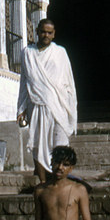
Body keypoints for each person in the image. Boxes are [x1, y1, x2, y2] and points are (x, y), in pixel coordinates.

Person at [17, 19, 77, 183]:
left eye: (50, 32)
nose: (46, 35)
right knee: (38, 144)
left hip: (59, 106)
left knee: (60, 145)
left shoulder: (60, 52)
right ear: (37, 31)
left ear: (54, 34)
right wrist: (21, 108)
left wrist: (70, 105)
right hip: (36, 105)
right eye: (43, 31)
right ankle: (43, 184)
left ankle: (60, 183)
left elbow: (68, 81)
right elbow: (25, 81)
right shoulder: (27, 53)